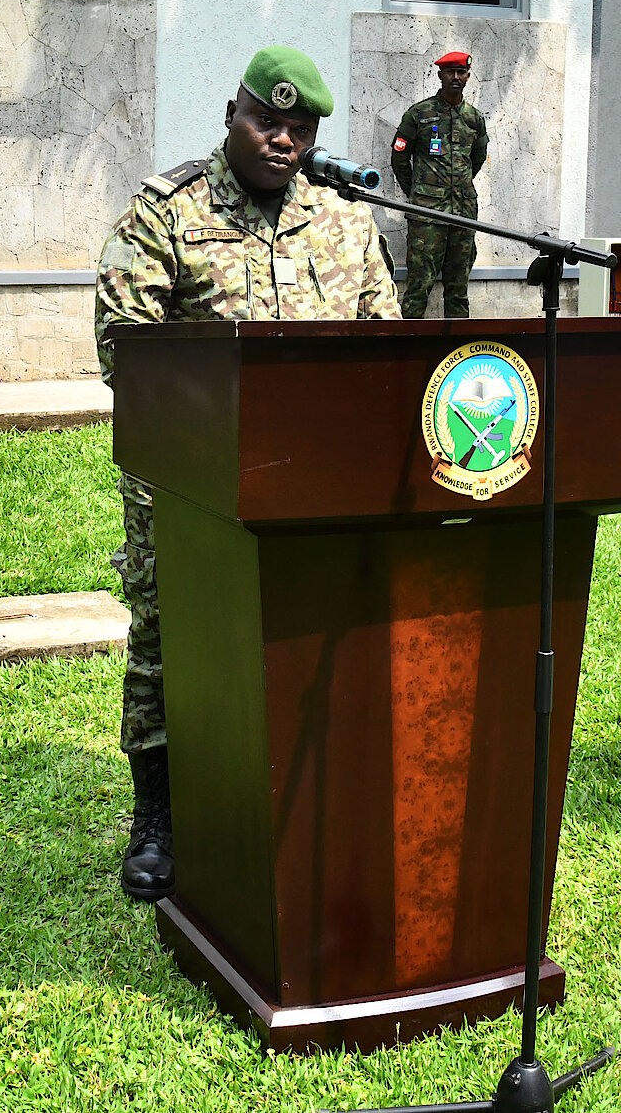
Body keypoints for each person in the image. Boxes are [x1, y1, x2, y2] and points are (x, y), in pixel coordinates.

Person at [94, 46, 400, 901]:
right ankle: (159, 817)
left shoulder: (345, 221)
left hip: (319, 487)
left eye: (299, 128)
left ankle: (308, 806)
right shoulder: (168, 213)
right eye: (267, 121)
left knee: (315, 636)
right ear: (232, 114)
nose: (282, 140)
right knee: (169, 640)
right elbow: (125, 349)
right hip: (189, 485)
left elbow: (386, 347)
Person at [390, 50, 489, 318]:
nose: (456, 77)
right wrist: (418, 191)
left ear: (468, 76)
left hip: (463, 215)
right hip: (427, 215)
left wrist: (459, 187)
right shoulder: (419, 114)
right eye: (450, 72)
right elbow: (399, 157)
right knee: (419, 287)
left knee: (458, 289)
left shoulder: (474, 118)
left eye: (461, 72)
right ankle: (410, 343)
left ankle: (457, 343)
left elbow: (477, 158)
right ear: (440, 75)